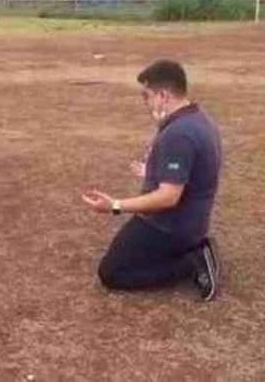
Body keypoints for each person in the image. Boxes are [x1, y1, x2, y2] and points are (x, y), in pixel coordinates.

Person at [81, 60, 223, 301]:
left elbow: (168, 197)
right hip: (190, 221)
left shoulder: (179, 134)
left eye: (146, 96)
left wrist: (115, 206)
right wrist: (154, 171)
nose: (145, 103)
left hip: (170, 226)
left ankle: (192, 262)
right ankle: (192, 249)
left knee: (112, 273)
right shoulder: (197, 118)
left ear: (163, 96)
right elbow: (194, 169)